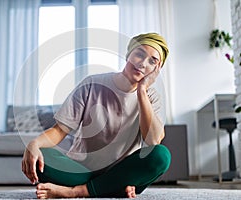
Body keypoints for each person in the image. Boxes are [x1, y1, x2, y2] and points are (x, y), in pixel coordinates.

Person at [22, 32, 171, 199]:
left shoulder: (151, 98)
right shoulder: (92, 84)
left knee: (161, 156)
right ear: (129, 54)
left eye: (152, 61)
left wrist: (142, 91)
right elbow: (59, 130)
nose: (143, 64)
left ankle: (76, 192)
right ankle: (111, 189)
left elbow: (153, 140)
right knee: (42, 157)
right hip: (81, 170)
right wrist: (34, 144)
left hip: (120, 172)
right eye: (139, 54)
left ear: (156, 70)